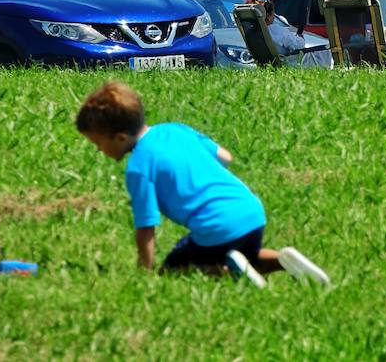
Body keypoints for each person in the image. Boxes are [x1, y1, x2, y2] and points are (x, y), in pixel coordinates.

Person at [75, 79, 330, 288]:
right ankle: (282, 261)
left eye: (98, 144)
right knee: (244, 253)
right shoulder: (176, 129)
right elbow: (226, 157)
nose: (99, 151)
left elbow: (146, 228)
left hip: (217, 228)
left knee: (173, 271)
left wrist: (146, 272)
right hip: (252, 214)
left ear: (120, 138)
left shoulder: (139, 168)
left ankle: (229, 272)